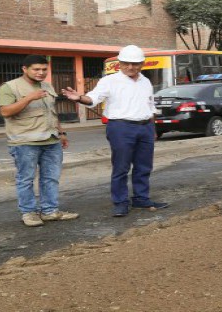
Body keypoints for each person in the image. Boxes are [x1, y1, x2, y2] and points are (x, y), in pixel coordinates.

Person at [61, 45, 168, 217]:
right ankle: (120, 202)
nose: (130, 67)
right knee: (121, 167)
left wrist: (153, 128)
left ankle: (141, 198)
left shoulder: (145, 81)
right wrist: (79, 98)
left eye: (135, 64)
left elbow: (150, 105)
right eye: (126, 63)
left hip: (145, 127)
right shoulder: (109, 81)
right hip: (121, 127)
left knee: (144, 166)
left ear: (142, 64)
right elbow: (93, 98)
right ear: (120, 63)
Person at [0, 55, 79, 227]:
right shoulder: (9, 87)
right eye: (36, 69)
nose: (41, 73)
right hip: (24, 142)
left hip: (51, 140)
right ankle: (29, 213)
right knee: (25, 179)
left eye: (44, 69)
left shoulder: (47, 86)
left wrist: (61, 132)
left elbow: (51, 111)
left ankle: (50, 211)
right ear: (25, 69)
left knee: (51, 178)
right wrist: (28, 98)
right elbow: (5, 112)